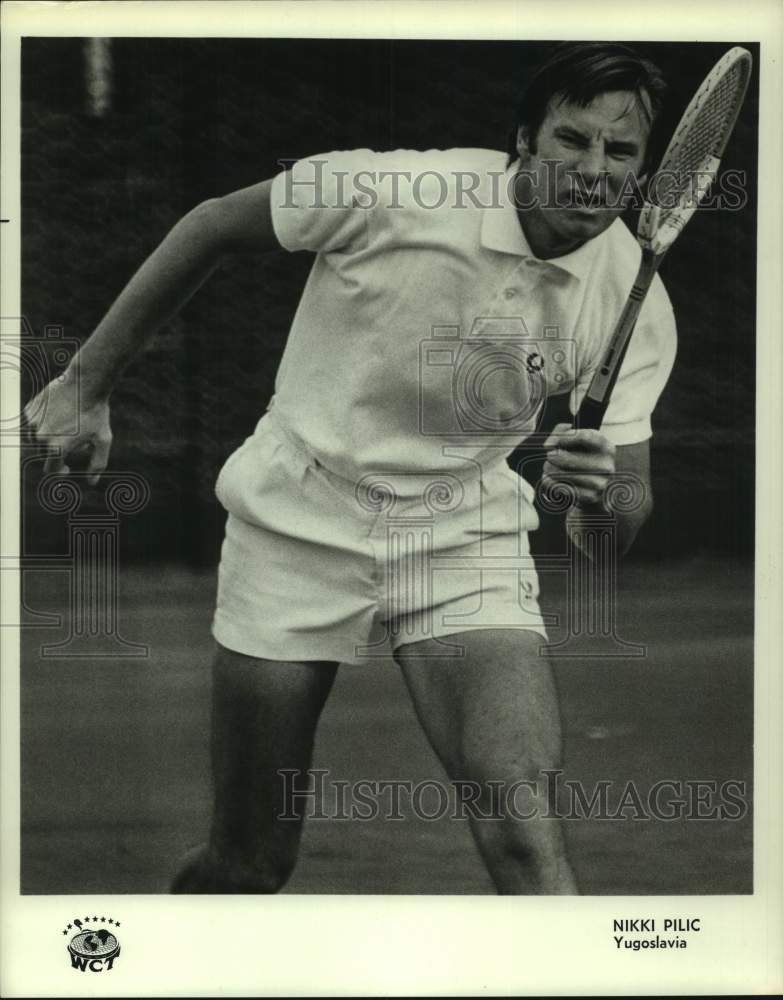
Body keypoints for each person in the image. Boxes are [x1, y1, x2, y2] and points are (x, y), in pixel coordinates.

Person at [25, 42, 676, 894]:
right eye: (571, 139)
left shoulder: (635, 296)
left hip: (462, 532)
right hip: (298, 515)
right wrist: (85, 385)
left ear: (638, 170)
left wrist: (600, 494)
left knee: (524, 831)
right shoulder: (394, 192)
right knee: (249, 862)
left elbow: (607, 535)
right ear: (523, 139)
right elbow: (213, 223)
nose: (592, 169)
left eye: (619, 151)